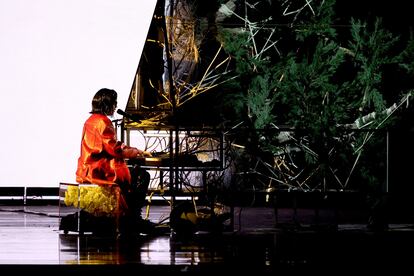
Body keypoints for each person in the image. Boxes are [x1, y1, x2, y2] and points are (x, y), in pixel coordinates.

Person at [75, 88, 154, 235]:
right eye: (114, 103)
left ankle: (129, 215)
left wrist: (132, 150)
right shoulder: (104, 122)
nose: (116, 106)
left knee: (135, 173)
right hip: (101, 171)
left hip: (89, 168)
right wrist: (136, 153)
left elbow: (111, 144)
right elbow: (115, 149)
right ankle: (132, 216)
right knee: (142, 175)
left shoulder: (91, 121)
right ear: (107, 104)